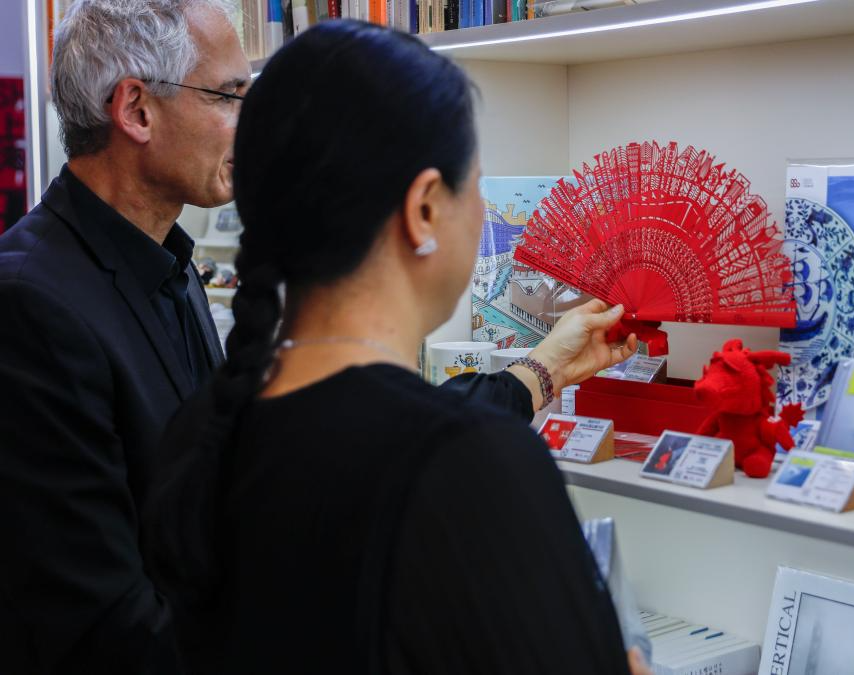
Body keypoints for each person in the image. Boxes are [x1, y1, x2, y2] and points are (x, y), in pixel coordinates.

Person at [142, 19, 651, 675]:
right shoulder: (472, 465)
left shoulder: (205, 433)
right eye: (475, 186)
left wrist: (541, 369)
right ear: (424, 209)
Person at [0, 1, 251, 672]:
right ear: (136, 110)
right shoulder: (29, 304)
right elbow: (96, 617)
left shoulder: (170, 263)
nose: (248, 123)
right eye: (228, 96)